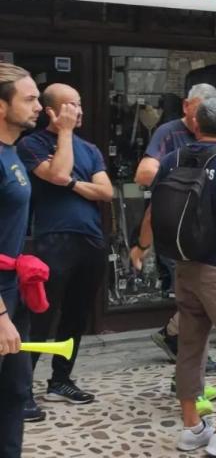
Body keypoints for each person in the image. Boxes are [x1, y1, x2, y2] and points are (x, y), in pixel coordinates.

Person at [131, 97, 216, 455]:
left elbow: (152, 213)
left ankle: (192, 428)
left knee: (190, 346)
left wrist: (141, 248)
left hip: (185, 267)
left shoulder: (172, 159)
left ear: (195, 125)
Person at [17, 84, 111, 419]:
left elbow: (106, 191)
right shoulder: (32, 144)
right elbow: (56, 172)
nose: (79, 111)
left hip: (91, 237)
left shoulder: (90, 149)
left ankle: (61, 380)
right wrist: (66, 134)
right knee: (41, 316)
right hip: (54, 239)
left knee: (76, 314)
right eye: (71, 105)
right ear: (51, 112)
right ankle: (20, 390)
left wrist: (71, 183)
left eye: (80, 104)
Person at [137, 83, 216, 371]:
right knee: (195, 294)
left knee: (202, 294)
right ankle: (191, 359)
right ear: (186, 106)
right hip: (176, 226)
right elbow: (144, 173)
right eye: (198, 112)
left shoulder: (215, 134)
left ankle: (172, 336)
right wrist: (187, 181)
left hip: (205, 229)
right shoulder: (168, 132)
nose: (201, 119)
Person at [0, 63, 41, 458]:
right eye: (29, 99)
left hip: (13, 290)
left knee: (15, 390)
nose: (39, 107)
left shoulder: (12, 151)